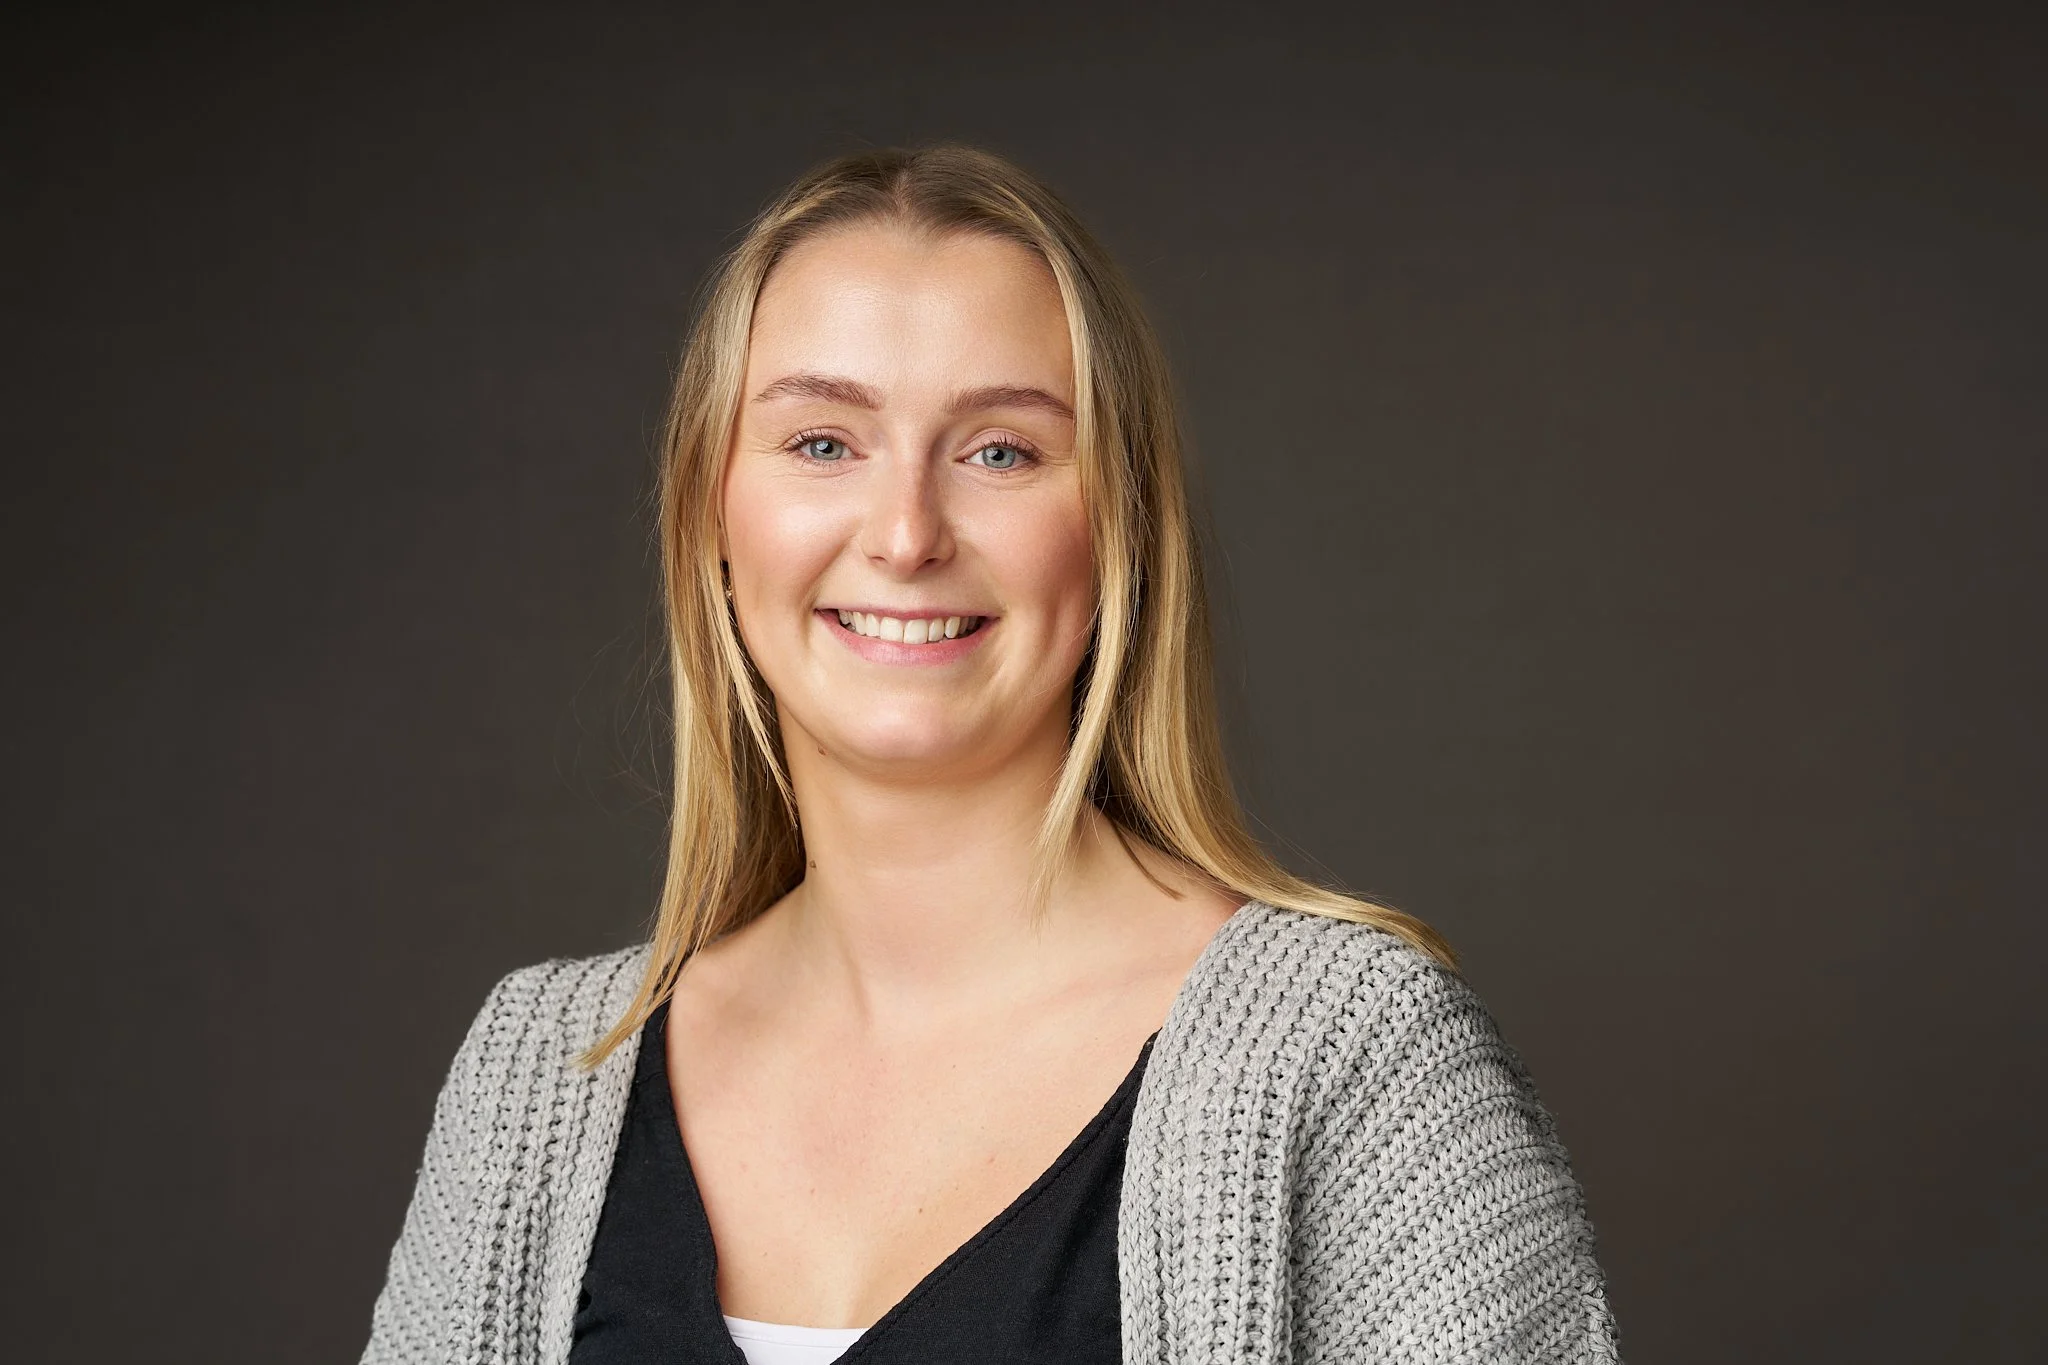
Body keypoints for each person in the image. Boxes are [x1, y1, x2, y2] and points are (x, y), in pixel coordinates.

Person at [359, 143, 1621, 1365]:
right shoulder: (537, 1072)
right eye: (821, 442)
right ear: (710, 516)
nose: (905, 533)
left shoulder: (1355, 1059)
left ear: (1114, 525)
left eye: (999, 451)